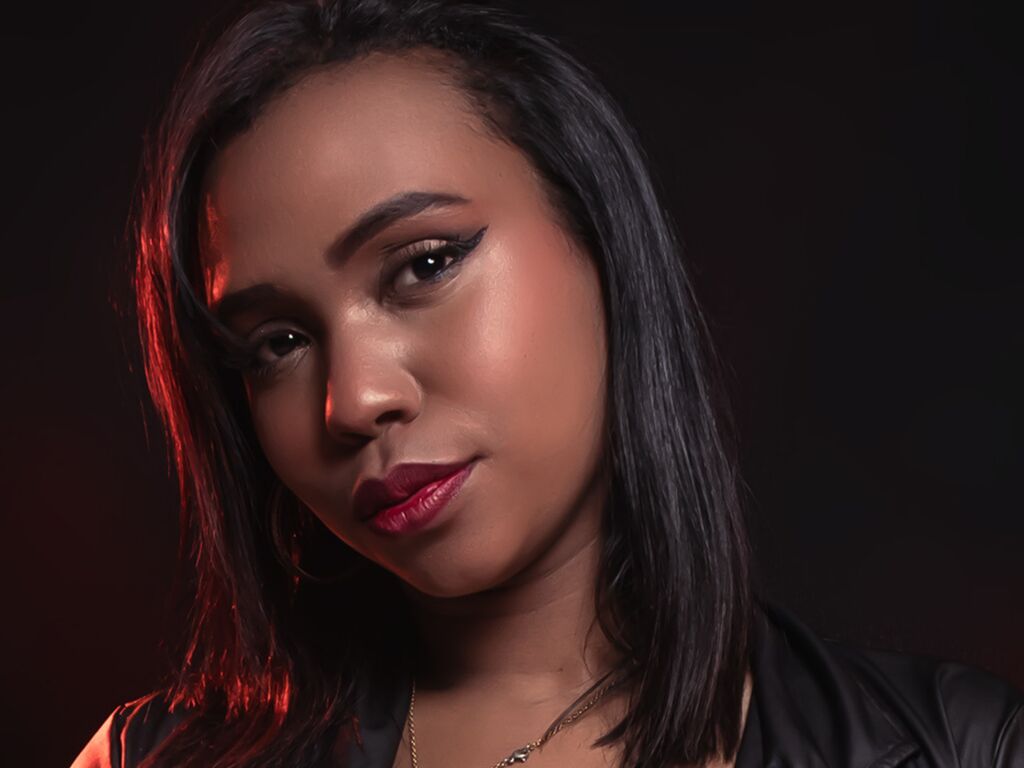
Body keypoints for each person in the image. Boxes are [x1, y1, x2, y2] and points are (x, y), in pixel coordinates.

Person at [72, 1, 1023, 766]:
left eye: (424, 265)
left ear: (600, 240)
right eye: (278, 343)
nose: (354, 400)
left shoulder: (955, 748)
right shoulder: (152, 759)